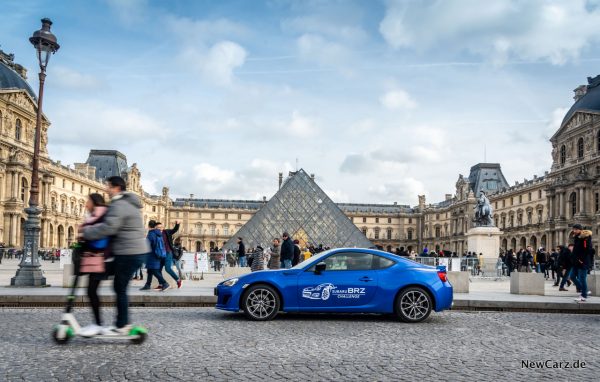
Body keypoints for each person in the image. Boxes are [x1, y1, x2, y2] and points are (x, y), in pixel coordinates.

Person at [81, 176, 149, 335]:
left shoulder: (119, 204)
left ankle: (121, 325)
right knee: (117, 286)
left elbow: (109, 227)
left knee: (119, 287)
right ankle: (117, 323)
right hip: (131, 251)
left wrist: (87, 232)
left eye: (108, 186)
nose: (106, 190)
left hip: (129, 252)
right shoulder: (128, 203)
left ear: (116, 187)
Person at [78, 194, 109, 337]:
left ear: (94, 202)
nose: (86, 204)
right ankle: (98, 323)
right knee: (91, 291)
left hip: (99, 260)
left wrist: (84, 233)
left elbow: (98, 237)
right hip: (93, 260)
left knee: (91, 291)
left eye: (88, 201)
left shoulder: (101, 216)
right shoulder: (96, 216)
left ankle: (98, 324)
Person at [141, 221, 169, 291]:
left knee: (154, 270)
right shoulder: (158, 233)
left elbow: (148, 244)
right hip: (158, 254)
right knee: (150, 270)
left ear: (149, 226)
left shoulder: (151, 234)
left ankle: (164, 283)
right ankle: (147, 285)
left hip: (152, 255)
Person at [570, 224, 593, 302]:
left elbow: (588, 250)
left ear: (580, 229)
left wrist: (581, 260)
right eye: (573, 229)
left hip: (582, 261)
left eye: (576, 229)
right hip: (576, 261)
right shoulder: (577, 237)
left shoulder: (585, 237)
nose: (574, 231)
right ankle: (585, 291)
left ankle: (584, 295)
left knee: (582, 278)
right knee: (572, 276)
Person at [156, 221, 182, 289]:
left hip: (168, 252)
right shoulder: (155, 234)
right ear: (155, 228)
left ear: (163, 227)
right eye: (158, 227)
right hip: (160, 254)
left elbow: (175, 230)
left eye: (161, 227)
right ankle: (161, 284)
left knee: (168, 268)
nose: (160, 228)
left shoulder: (167, 232)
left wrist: (177, 224)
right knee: (158, 270)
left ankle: (178, 280)